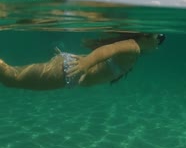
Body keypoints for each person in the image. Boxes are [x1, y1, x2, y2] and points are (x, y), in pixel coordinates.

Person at [0, 32, 165, 90]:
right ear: (147, 36)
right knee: (10, 78)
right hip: (69, 72)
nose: (159, 44)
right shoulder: (133, 46)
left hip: (68, 70)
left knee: (11, 78)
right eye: (160, 38)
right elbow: (110, 49)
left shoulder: (133, 51)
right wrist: (85, 65)